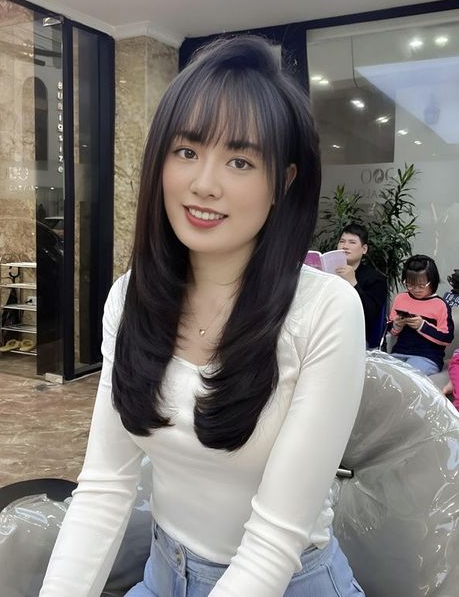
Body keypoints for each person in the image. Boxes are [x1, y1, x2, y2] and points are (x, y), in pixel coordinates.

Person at [39, 36, 366, 597]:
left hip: (286, 581)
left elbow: (273, 542)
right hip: (164, 572)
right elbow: (103, 489)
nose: (204, 184)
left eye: (240, 161)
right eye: (186, 151)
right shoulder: (129, 299)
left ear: (283, 183)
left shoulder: (325, 311)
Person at [388, 254, 454, 376]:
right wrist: (397, 325)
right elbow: (391, 331)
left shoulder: (440, 305)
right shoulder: (400, 298)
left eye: (421, 285)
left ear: (433, 281)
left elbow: (447, 338)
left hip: (427, 357)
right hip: (398, 353)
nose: (416, 289)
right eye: (410, 284)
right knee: (384, 375)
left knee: (407, 376)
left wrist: (422, 326)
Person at [336, 223, 388, 348]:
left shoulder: (376, 279)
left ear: (364, 249)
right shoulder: (328, 271)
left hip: (354, 336)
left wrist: (353, 283)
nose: (345, 246)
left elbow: (369, 314)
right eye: (342, 241)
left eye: (352, 242)